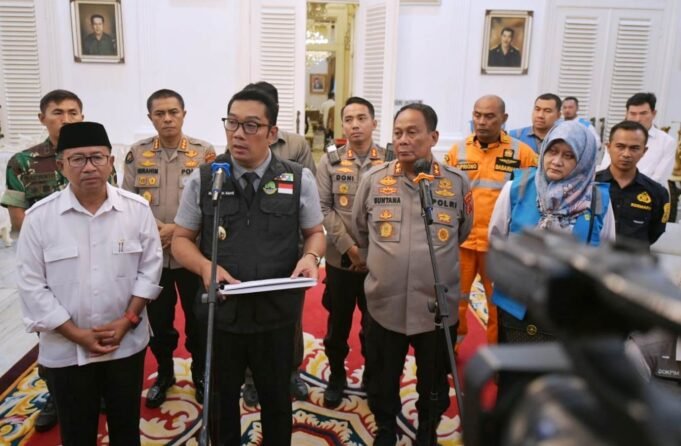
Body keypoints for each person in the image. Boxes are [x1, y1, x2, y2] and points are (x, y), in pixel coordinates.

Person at [171, 87, 325, 445]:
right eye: (232, 123)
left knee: (276, 400)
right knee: (220, 402)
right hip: (221, 315)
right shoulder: (205, 178)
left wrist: (310, 257)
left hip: (276, 315)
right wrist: (205, 267)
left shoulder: (297, 178)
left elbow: (315, 233)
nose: (238, 134)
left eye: (251, 125)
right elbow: (180, 239)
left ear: (272, 133)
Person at [16, 121, 163, 445]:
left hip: (126, 342)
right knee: (76, 431)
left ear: (110, 161)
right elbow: (31, 284)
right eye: (78, 159)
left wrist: (128, 320)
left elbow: (151, 269)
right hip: (66, 348)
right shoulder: (40, 218)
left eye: (97, 157)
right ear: (61, 165)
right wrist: (75, 333)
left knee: (126, 428)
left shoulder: (136, 210)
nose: (89, 167)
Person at [352, 103, 473, 445]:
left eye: (412, 132)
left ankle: (427, 430)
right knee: (382, 376)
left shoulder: (457, 183)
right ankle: (385, 427)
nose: (403, 140)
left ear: (433, 137)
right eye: (398, 133)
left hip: (436, 308)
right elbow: (361, 231)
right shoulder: (373, 180)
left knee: (433, 382)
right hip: (384, 304)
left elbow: (463, 231)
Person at [0, 89, 116, 432]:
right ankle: (56, 394)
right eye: (57, 112)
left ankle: (102, 391)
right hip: (49, 262)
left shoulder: (96, 152)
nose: (66, 119)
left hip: (97, 256)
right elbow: (19, 219)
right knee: (54, 335)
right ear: (42, 118)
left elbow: (110, 205)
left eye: (73, 112)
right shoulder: (22, 162)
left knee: (98, 326)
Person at [122, 89, 215, 407]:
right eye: (160, 114)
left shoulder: (204, 153)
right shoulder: (137, 154)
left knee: (198, 321)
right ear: (150, 118)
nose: (167, 119)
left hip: (192, 255)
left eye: (173, 112)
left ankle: (200, 375)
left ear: (183, 114)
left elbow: (211, 204)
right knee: (159, 324)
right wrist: (156, 231)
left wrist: (177, 230)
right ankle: (165, 374)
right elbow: (128, 202)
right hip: (154, 258)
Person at [489, 120, 616, 346]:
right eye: (552, 151)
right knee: (514, 363)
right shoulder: (517, 187)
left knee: (559, 366)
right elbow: (496, 237)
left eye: (569, 155)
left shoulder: (597, 200)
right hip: (517, 303)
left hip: (569, 310)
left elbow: (606, 252)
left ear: (584, 160)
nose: (556, 161)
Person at [238, 81, 316, 407]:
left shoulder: (296, 144)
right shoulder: (238, 141)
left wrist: (306, 251)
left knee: (289, 317)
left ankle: (291, 370)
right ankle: (250, 378)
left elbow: (308, 194)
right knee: (247, 313)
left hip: (288, 246)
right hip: (248, 245)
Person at [444, 95, 537, 347]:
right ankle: (449, 353)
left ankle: (497, 357)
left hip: (499, 247)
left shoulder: (522, 154)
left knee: (498, 306)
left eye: (489, 116)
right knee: (454, 301)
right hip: (462, 243)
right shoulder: (457, 152)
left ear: (504, 119)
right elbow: (444, 194)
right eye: (477, 115)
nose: (482, 121)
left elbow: (533, 198)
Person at [316, 96, 384, 408]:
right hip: (340, 260)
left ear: (374, 123)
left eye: (361, 118)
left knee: (375, 326)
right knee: (337, 325)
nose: (355, 125)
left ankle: (372, 375)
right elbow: (323, 208)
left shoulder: (391, 160)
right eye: (348, 119)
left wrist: (369, 252)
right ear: (342, 125)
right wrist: (351, 248)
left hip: (379, 261)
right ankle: (336, 377)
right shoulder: (329, 161)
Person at [595, 121, 669, 249]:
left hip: (635, 259)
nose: (626, 154)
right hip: (595, 257)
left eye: (634, 148)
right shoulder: (591, 184)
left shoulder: (657, 192)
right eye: (620, 146)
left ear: (644, 151)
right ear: (608, 147)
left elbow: (655, 232)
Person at [599, 92, 677, 186]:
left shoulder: (667, 142)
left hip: (648, 192)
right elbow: (605, 168)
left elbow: (660, 178)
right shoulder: (617, 136)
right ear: (626, 114)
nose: (637, 119)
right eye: (633, 114)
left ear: (653, 114)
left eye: (643, 113)